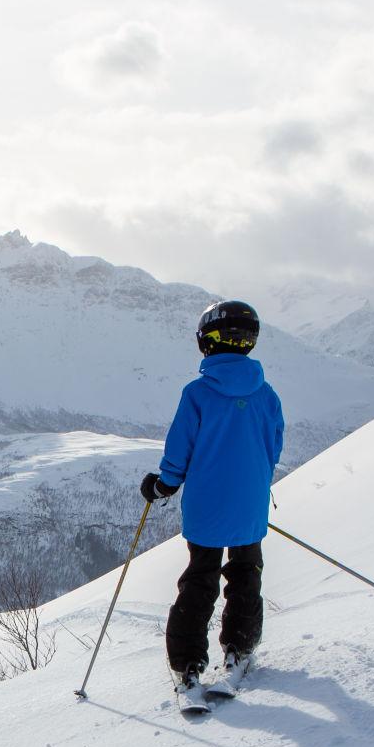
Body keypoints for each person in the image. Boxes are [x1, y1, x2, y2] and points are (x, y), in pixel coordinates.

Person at [139, 299, 284, 704]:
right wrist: (248, 485)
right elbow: (273, 448)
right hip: (250, 504)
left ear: (207, 340)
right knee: (245, 572)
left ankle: (186, 662)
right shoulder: (267, 394)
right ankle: (239, 647)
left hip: (206, 506)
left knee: (200, 578)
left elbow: (180, 450)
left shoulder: (198, 393)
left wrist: (163, 485)